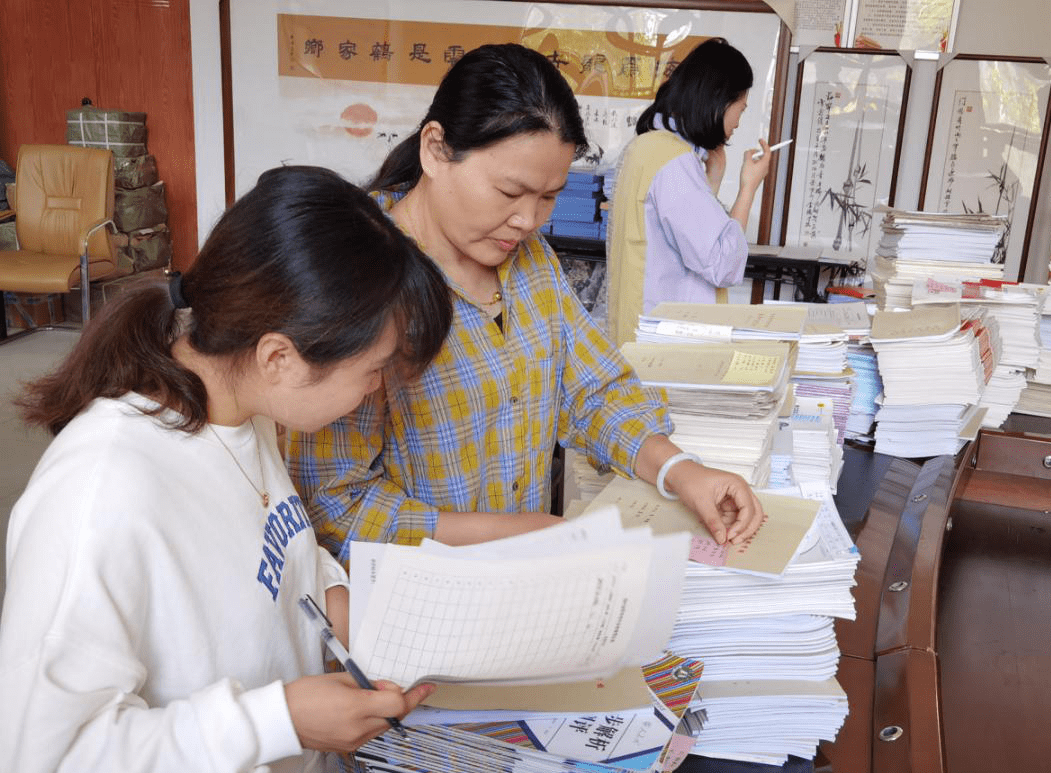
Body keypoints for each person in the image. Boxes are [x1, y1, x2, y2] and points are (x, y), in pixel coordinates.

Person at [0, 165, 453, 773]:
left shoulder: (242, 412)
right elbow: (44, 755)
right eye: (372, 371)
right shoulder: (99, 496)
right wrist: (278, 721)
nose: (376, 392)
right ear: (279, 357)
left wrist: (343, 602)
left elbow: (278, 551)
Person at [286, 42, 764, 567]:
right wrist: (510, 534)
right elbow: (335, 502)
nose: (528, 220)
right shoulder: (359, 279)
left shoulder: (531, 262)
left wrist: (680, 471)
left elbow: (594, 389)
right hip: (421, 609)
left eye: (549, 196)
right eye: (509, 192)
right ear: (436, 149)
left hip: (526, 592)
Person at [606, 37, 774, 348]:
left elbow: (672, 238)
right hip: (666, 347)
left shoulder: (646, 146)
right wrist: (749, 187)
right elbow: (721, 263)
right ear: (720, 101)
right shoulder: (674, 162)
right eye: (741, 108)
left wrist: (710, 181)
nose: (738, 121)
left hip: (640, 334)